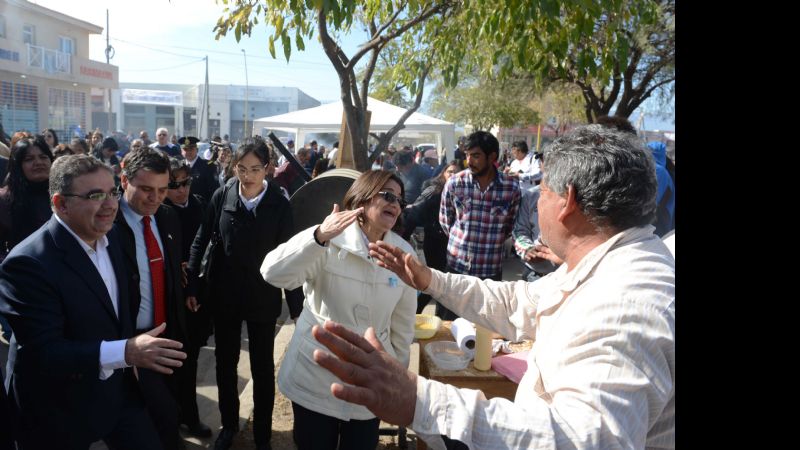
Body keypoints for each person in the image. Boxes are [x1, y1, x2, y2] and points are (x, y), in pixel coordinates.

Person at [310, 125, 675, 450]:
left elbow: (585, 439)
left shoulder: (626, 301)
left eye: (543, 189)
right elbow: (520, 300)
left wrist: (418, 400)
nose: (536, 200)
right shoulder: (604, 265)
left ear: (569, 202)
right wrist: (431, 279)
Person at [0, 154, 187, 449]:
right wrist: (126, 352)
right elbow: (45, 352)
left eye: (112, 192)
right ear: (61, 203)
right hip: (56, 406)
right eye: (95, 195)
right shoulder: (27, 264)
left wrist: (128, 359)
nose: (111, 204)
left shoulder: (108, 238)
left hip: (116, 393)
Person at [261, 169, 416, 450]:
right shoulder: (328, 240)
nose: (395, 204)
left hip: (369, 381)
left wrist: (394, 376)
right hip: (315, 374)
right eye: (388, 195)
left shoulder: (403, 255)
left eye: (400, 200)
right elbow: (273, 273)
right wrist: (318, 236)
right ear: (363, 198)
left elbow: (402, 328)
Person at [186, 137, 293, 450]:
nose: (247, 176)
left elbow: (290, 255)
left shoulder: (279, 203)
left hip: (263, 297)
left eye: (255, 169)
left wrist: (298, 306)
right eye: (242, 168)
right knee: (225, 363)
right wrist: (193, 283)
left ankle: (262, 434)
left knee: (261, 368)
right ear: (234, 167)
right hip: (225, 295)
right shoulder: (223, 194)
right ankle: (229, 426)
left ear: (268, 169)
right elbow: (201, 239)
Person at [114, 147, 189, 449]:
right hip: (128, 341)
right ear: (123, 181)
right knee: (156, 419)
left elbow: (172, 274)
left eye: (162, 190)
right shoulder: (106, 224)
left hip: (167, 333)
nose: (155, 198)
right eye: (146, 189)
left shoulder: (167, 217)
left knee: (169, 410)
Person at [437, 130, 520, 320]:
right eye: (467, 156)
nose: (469, 161)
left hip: (489, 271)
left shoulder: (511, 188)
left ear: (492, 156)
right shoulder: (455, 184)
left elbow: (509, 226)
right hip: (457, 268)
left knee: (486, 327)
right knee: (450, 325)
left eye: (475, 156)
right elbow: (445, 220)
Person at [163, 157, 214, 438]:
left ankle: (188, 416)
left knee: (190, 359)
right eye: (173, 185)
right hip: (169, 300)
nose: (180, 190)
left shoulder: (200, 205)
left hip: (196, 296)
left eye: (184, 182)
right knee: (173, 363)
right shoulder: (159, 211)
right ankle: (179, 417)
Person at [401, 160, 459, 313]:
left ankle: (435, 315)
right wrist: (404, 236)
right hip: (434, 240)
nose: (453, 175)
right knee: (435, 280)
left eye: (457, 172)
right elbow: (416, 211)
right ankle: (415, 311)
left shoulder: (462, 191)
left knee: (445, 282)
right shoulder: (434, 190)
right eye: (450, 172)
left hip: (452, 242)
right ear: (443, 173)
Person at [179, 136, 219, 202]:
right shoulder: (179, 166)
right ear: (181, 151)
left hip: (202, 206)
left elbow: (214, 190)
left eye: (191, 149)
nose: (188, 152)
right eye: (185, 149)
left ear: (197, 150)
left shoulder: (208, 166)